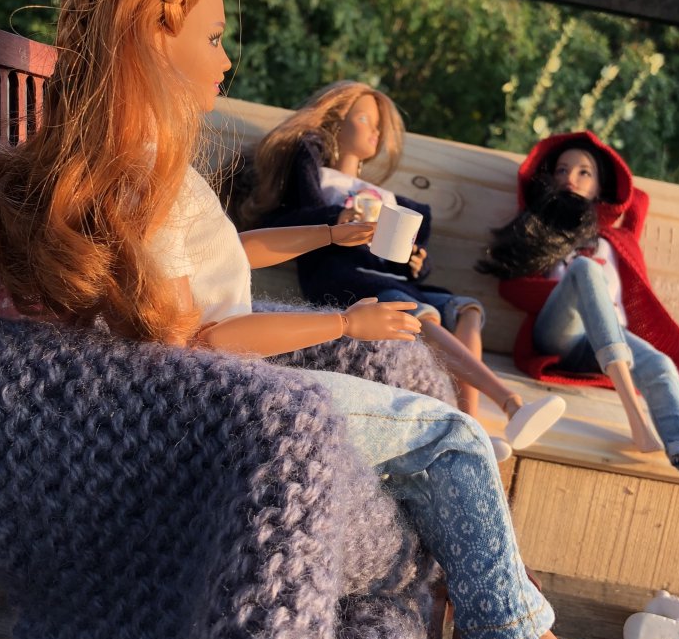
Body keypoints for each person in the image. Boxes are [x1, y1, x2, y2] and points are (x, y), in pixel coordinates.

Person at [0, 0, 655, 639]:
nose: (226, 60)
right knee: (455, 441)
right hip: (222, 408)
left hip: (232, 387)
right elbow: (201, 341)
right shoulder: (137, 174)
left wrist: (329, 235)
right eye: (211, 38)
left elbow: (225, 257)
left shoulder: (147, 160)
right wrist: (347, 324)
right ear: (151, 42)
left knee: (454, 448)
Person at [240, 80, 565, 460]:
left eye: (379, 126)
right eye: (364, 119)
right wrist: (335, 218)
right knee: (420, 316)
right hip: (353, 282)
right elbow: (291, 226)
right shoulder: (323, 183)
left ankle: (471, 423)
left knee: (468, 310)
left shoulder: (386, 197)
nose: (375, 132)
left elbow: (398, 256)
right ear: (335, 124)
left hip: (395, 281)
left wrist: (416, 263)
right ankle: (510, 403)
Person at [476, 130, 679, 515]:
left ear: (601, 186)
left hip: (612, 337)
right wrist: (546, 210)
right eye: (561, 170)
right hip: (562, 336)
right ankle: (634, 414)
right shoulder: (543, 233)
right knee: (583, 270)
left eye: (584, 172)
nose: (570, 177)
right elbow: (512, 289)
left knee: (661, 365)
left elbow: (637, 199)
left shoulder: (614, 240)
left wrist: (601, 206)